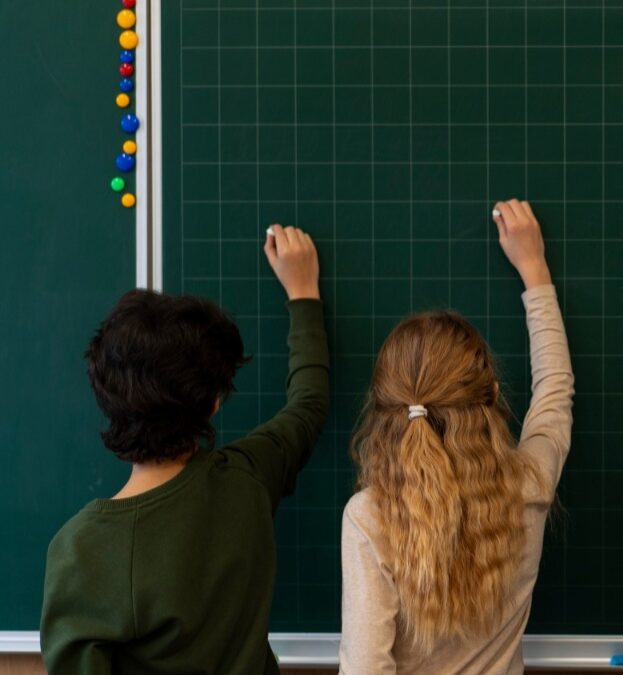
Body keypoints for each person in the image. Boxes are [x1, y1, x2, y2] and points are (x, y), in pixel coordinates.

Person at [41, 226, 329, 674]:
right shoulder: (248, 478)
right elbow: (309, 403)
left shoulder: (82, 552)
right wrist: (303, 290)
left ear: (106, 397)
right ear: (213, 403)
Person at [339, 199, 574, 674]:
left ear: (386, 412)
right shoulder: (528, 486)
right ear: (491, 394)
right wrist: (534, 270)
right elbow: (554, 391)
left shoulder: (371, 518)